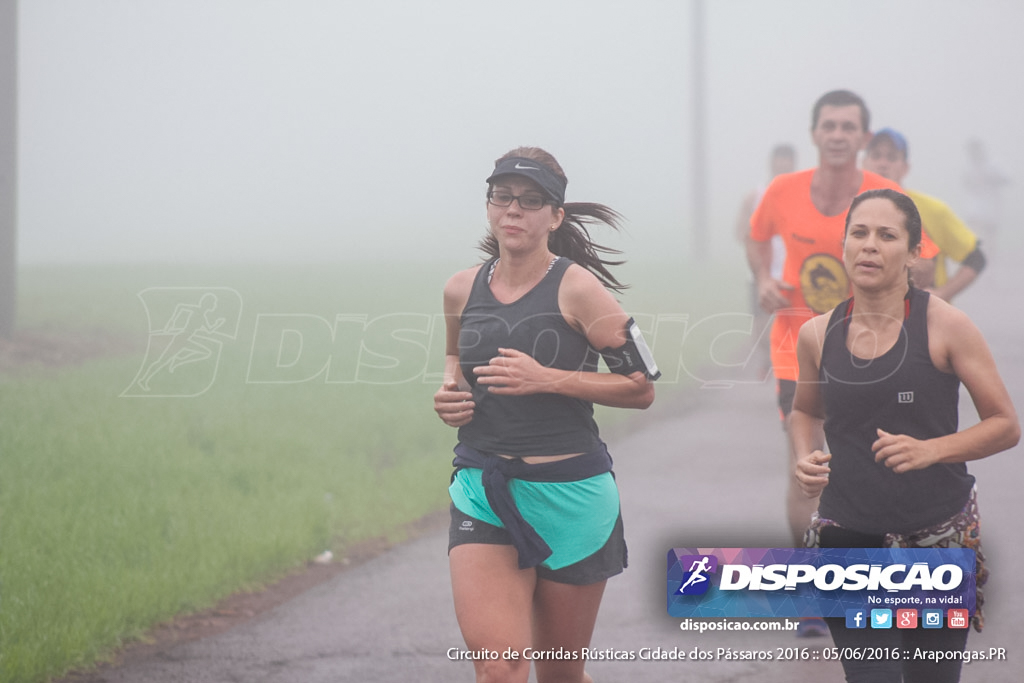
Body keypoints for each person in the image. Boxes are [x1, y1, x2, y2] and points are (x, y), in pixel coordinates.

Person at [433, 147, 658, 683]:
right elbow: (453, 359)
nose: (514, 210)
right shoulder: (461, 288)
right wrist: (449, 391)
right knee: (502, 669)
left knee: (559, 674)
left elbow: (641, 386)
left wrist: (548, 379)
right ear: (489, 207)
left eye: (531, 201)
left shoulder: (579, 288)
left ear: (555, 217)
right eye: (503, 197)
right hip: (484, 487)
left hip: (572, 495)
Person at [792, 188, 1020, 683]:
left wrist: (931, 450)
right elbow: (803, 412)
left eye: (887, 235)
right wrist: (806, 456)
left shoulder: (947, 326)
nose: (870, 245)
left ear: (916, 253)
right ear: (844, 243)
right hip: (848, 536)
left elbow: (1005, 424)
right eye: (859, 232)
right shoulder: (817, 334)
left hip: (936, 538)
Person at [864, 128, 987, 302]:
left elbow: (976, 258)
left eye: (892, 157)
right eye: (876, 156)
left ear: (905, 167)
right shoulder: (848, 209)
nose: (883, 164)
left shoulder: (933, 210)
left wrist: (944, 293)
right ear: (864, 163)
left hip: (925, 321)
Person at [735, 144, 797, 376]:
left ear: (793, 163)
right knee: (761, 329)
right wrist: (756, 238)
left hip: (793, 271)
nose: (782, 164)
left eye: (787, 160)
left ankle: (790, 368)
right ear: (772, 163)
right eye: (779, 160)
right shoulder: (756, 196)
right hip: (761, 273)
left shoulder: (803, 193)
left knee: (797, 325)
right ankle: (770, 357)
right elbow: (740, 231)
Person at [962, 138, 1009, 252]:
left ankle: (991, 258)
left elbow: (1006, 179)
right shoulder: (968, 167)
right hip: (974, 204)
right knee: (974, 230)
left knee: (990, 233)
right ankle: (975, 255)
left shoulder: (992, 165)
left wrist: (991, 179)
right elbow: (965, 182)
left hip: (991, 204)